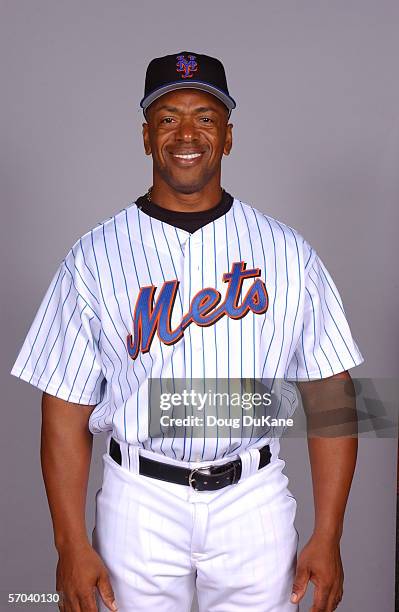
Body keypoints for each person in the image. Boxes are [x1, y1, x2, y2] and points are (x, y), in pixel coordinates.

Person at [10, 51, 363, 612]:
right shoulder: (94, 258)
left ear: (227, 137)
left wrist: (330, 535)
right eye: (168, 117)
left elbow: (332, 397)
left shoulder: (287, 252)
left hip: (254, 499)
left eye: (205, 116)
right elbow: (63, 412)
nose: (187, 133)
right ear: (146, 136)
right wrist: (70, 543)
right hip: (139, 501)